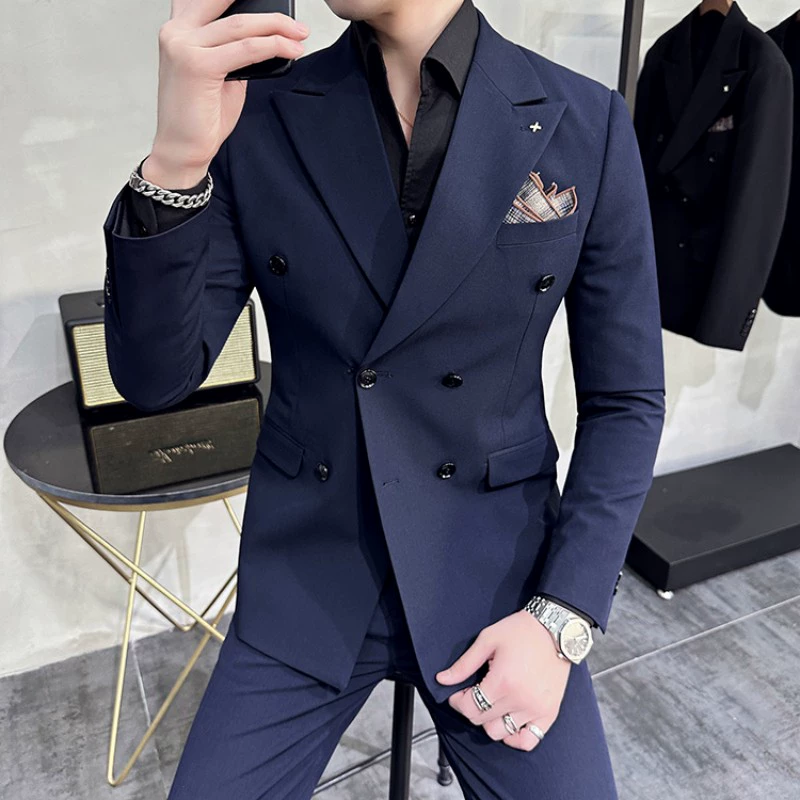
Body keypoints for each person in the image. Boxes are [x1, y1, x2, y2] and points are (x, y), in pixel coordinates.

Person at [101, 0, 666, 797]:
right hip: (310, 569)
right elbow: (155, 379)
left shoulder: (583, 119)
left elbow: (627, 399)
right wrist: (175, 162)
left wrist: (561, 616)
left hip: (499, 575)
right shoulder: (257, 110)